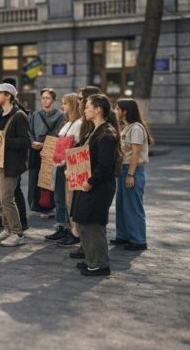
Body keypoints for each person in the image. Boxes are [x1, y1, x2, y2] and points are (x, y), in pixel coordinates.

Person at [72, 94, 120, 276]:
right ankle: (91, 259)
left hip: (98, 186)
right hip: (87, 183)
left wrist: (91, 181)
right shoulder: (94, 130)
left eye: (87, 106)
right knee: (83, 220)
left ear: (98, 109)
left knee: (93, 223)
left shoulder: (107, 133)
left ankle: (101, 265)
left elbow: (105, 165)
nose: (84, 109)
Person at [0, 83, 30, 247]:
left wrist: (3, 140)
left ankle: (17, 233)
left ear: (8, 95)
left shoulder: (19, 116)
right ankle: (7, 229)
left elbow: (25, 141)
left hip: (11, 165)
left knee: (7, 199)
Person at [113, 98, 153, 251]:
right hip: (123, 170)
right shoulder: (127, 127)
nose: (116, 111)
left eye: (118, 108)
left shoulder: (136, 128)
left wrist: (130, 175)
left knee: (133, 207)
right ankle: (123, 236)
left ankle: (138, 240)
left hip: (132, 170)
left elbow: (136, 153)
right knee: (122, 205)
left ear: (125, 111)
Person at [45, 93, 83, 245]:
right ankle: (62, 226)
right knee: (59, 198)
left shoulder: (79, 124)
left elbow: (78, 146)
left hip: (70, 166)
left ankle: (72, 230)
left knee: (70, 200)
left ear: (73, 105)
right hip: (59, 165)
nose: (62, 106)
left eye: (65, 104)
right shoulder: (66, 123)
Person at [28, 88, 64, 215]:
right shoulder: (35, 114)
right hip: (35, 151)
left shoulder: (60, 115)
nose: (45, 100)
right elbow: (30, 131)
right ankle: (36, 204)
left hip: (50, 151)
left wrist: (43, 144)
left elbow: (58, 134)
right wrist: (33, 142)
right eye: (43, 98)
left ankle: (49, 206)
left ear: (53, 100)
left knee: (49, 178)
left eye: (47, 98)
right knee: (35, 177)